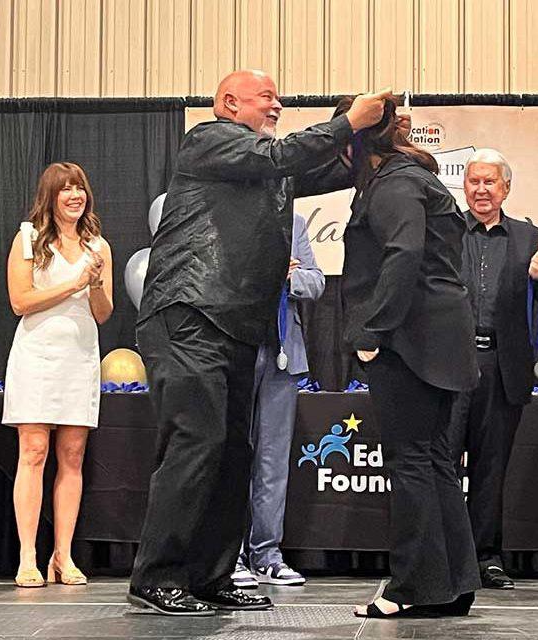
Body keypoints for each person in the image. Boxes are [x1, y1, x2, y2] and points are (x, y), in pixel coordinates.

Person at [128, 69, 388, 617]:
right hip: (190, 315)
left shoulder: (266, 170)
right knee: (195, 444)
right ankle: (158, 576)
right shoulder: (209, 139)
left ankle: (211, 575)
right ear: (228, 103)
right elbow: (285, 154)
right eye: (266, 97)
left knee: (231, 454)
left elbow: (328, 166)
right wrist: (348, 121)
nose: (277, 105)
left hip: (237, 325)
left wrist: (373, 132)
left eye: (278, 98)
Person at [336, 96, 480, 619]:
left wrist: (373, 330)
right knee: (435, 460)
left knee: (412, 462)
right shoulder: (416, 179)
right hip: (439, 339)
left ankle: (412, 587)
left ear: (354, 146)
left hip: (409, 342)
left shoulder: (395, 184)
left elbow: (404, 254)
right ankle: (453, 584)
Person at [449, 149, 538, 590]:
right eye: (474, 181)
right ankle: (443, 556)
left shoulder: (531, 238)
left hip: (501, 367)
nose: (481, 190)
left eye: (490, 182)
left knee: (491, 467)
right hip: (447, 365)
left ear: (506, 188)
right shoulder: (444, 229)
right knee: (441, 464)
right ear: (464, 186)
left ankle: (486, 557)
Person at [2, 162, 113, 588]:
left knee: (72, 454)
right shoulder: (28, 238)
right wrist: (74, 283)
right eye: (65, 189)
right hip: (37, 355)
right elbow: (20, 301)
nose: (74, 195)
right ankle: (28, 556)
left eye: (79, 188)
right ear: (50, 196)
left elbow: (103, 313)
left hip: (79, 356)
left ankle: (62, 555)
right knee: (33, 451)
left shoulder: (98, 246)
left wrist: (95, 284)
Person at [231, 213, 324, 589]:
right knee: (233, 455)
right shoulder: (228, 217)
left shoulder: (294, 223)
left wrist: (288, 277)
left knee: (273, 460)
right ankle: (230, 555)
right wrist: (265, 269)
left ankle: (266, 555)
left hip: (283, 353)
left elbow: (315, 281)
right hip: (236, 350)